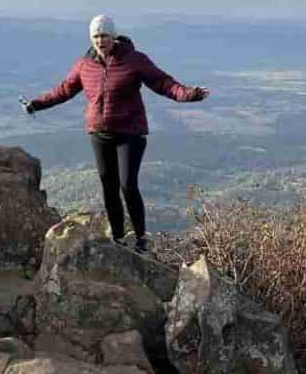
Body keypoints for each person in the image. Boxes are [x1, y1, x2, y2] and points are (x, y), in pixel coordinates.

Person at [25, 14, 209, 252]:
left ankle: (142, 238)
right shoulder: (85, 65)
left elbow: (162, 82)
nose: (100, 40)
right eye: (96, 36)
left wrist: (189, 94)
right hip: (99, 133)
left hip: (130, 133)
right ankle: (119, 237)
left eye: (104, 36)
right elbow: (64, 90)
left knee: (128, 185)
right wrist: (36, 104)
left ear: (113, 37)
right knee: (108, 185)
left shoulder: (134, 60)